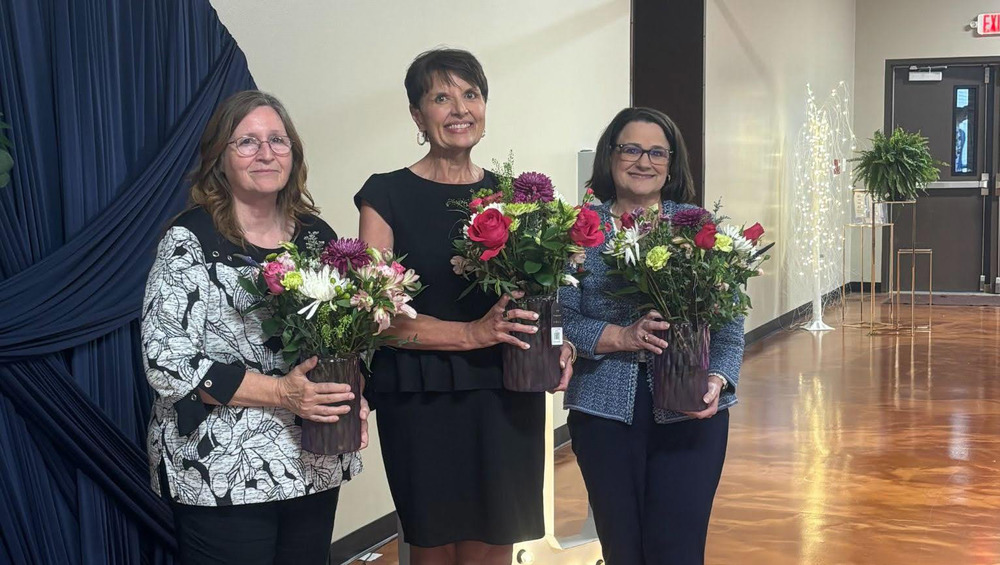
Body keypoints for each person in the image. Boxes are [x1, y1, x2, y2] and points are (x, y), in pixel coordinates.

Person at [355, 48, 574, 565]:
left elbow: (546, 297)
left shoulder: (515, 197)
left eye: (471, 94)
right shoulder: (384, 195)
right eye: (441, 97)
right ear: (417, 116)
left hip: (505, 389)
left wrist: (560, 349)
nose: (459, 109)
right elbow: (375, 317)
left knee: (496, 541)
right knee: (432, 546)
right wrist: (472, 333)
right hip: (421, 392)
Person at [142, 90, 366, 565]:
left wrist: (354, 397)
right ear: (219, 159)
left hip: (312, 457)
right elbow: (167, 360)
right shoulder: (190, 240)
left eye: (277, 140)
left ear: (294, 153)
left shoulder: (316, 236)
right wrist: (284, 393)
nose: (266, 153)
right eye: (247, 142)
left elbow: (350, 334)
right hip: (219, 469)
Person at [561, 107, 746, 565]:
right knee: (623, 549)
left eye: (656, 152)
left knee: (678, 551)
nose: (643, 161)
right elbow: (562, 317)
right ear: (610, 156)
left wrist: (718, 379)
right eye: (631, 149)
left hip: (690, 411)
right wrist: (622, 336)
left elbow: (729, 320)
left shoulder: (698, 225)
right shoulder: (581, 229)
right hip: (603, 411)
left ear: (671, 162)